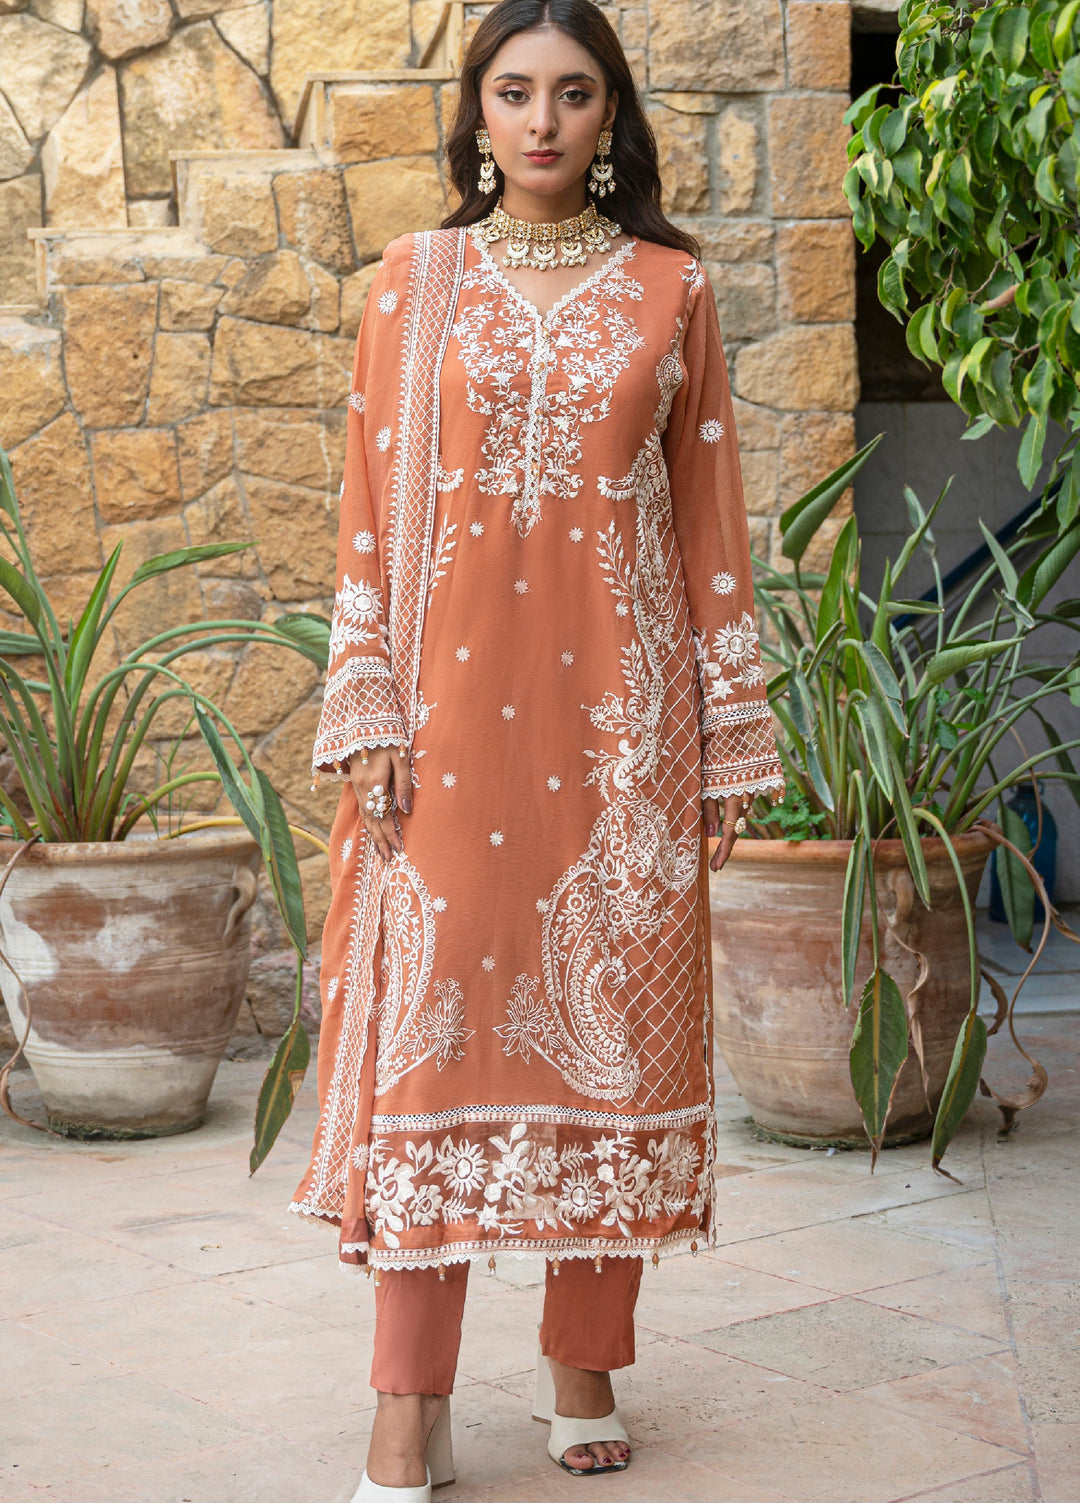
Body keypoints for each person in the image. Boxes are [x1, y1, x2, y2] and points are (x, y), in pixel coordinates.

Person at [290, 2, 783, 1497]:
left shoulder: (672, 289)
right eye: (515, 93)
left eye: (574, 93)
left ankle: (583, 1366)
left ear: (611, 114)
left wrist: (725, 737)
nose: (544, 120)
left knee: (610, 1038)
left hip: (622, 731)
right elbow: (368, 504)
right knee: (427, 1047)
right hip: (442, 726)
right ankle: (408, 1405)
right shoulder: (414, 282)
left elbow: (708, 527)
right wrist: (365, 702)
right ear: (479, 115)